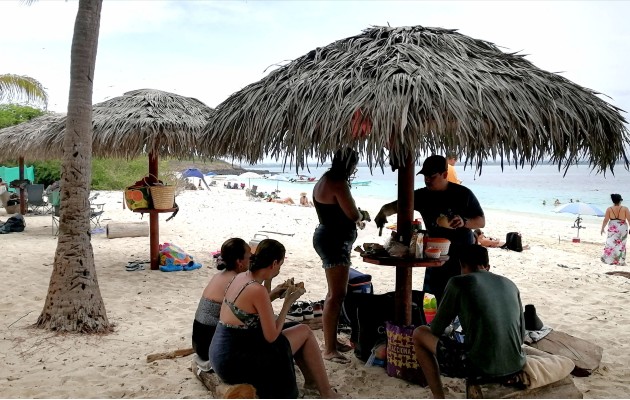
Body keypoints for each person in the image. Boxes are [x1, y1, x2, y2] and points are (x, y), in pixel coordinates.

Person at [209, 239, 338, 399]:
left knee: (294, 327)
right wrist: (288, 303)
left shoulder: (241, 277)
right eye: (281, 264)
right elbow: (271, 337)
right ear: (274, 263)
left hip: (220, 351)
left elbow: (249, 310)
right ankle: (326, 392)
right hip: (235, 360)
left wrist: (275, 293)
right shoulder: (257, 290)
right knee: (304, 331)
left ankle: (313, 382)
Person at [412, 245, 526, 398]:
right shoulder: (510, 284)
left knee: (419, 333)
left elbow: (436, 329)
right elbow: (522, 334)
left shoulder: (458, 282)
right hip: (516, 364)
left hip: (480, 369)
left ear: (462, 266)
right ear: (487, 266)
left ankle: (439, 397)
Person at [375, 155, 485, 303]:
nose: (427, 180)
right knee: (432, 299)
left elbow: (481, 221)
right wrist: (382, 212)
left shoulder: (462, 194)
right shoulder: (422, 195)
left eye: (432, 176)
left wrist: (464, 222)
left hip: (461, 256)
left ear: (444, 175)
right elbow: (396, 206)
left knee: (461, 298)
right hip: (435, 255)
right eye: (425, 176)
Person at [192, 238, 292, 362]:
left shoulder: (221, 275)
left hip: (199, 341)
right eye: (249, 254)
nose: (253, 257)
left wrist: (271, 284)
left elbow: (251, 305)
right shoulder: (237, 280)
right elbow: (257, 304)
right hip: (211, 345)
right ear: (239, 262)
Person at [312, 147, 367, 364]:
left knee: (334, 295)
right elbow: (353, 214)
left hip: (330, 238)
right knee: (336, 296)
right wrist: (362, 215)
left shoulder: (326, 179)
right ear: (350, 165)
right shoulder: (338, 182)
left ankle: (331, 343)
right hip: (334, 242)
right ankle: (329, 350)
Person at [601, 193, 630, 265]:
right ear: (620, 200)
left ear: (613, 201)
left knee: (610, 243)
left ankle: (609, 260)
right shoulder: (625, 208)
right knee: (622, 243)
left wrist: (602, 228)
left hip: (613, 226)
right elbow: (629, 219)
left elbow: (606, 219)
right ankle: (620, 261)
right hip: (623, 226)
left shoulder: (609, 209)